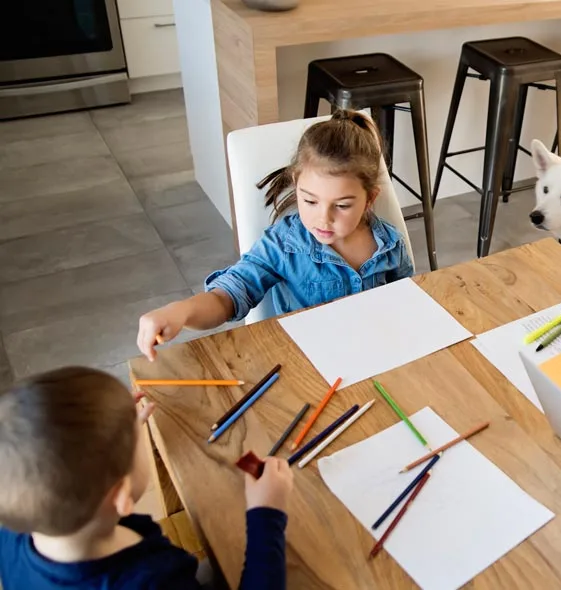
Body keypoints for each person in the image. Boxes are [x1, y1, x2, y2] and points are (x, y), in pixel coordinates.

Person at [137, 110, 414, 361]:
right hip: (305, 365)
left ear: (369, 199)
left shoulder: (390, 245)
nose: (323, 218)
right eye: (310, 201)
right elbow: (228, 295)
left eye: (342, 205)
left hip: (375, 357)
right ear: (297, 186)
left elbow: (406, 305)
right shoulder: (283, 245)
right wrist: (181, 311)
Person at [0, 367, 294, 589]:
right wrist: (266, 514)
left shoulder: (16, 531)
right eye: (137, 439)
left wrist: (114, 433)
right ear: (122, 494)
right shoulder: (156, 579)